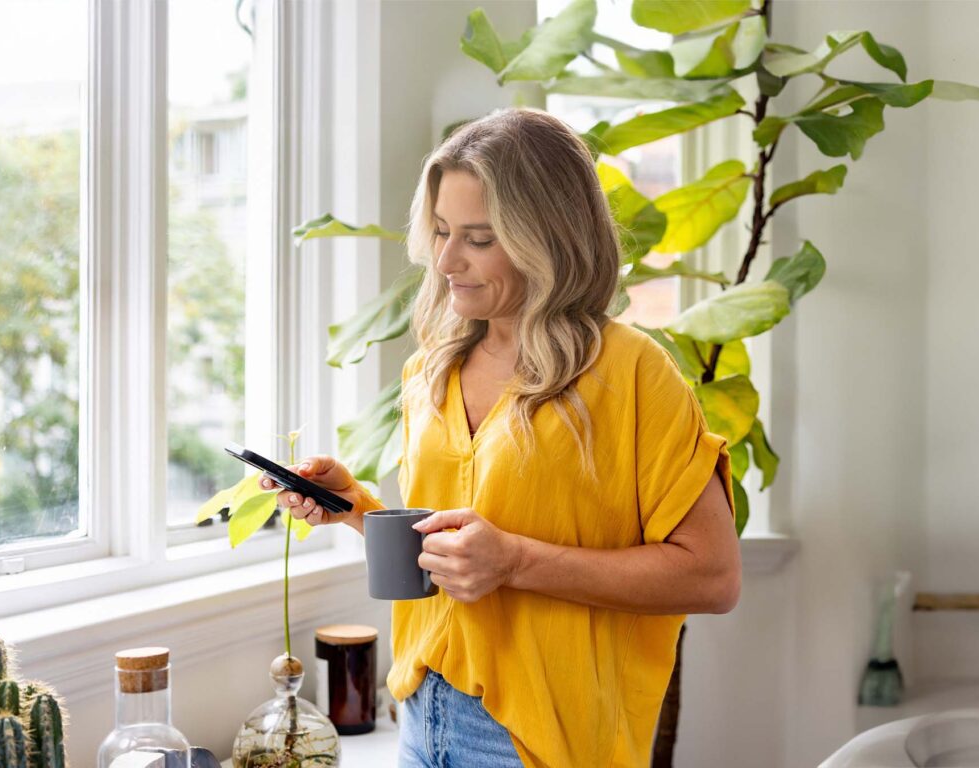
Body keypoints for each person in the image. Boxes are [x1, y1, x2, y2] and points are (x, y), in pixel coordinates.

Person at [260, 107, 742, 768]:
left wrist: (516, 561)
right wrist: (355, 507)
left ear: (548, 236)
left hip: (541, 741)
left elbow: (713, 576)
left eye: (478, 238)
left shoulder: (632, 373)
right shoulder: (431, 368)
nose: (447, 259)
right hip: (422, 715)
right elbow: (455, 543)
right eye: (440, 231)